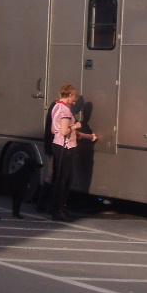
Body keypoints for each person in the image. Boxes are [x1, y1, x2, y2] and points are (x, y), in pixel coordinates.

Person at [49, 84, 97, 221]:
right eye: (74, 99)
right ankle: (59, 210)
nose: (75, 102)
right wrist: (75, 125)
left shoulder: (56, 106)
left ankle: (59, 208)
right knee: (64, 179)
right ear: (69, 95)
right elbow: (64, 131)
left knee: (62, 178)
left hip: (58, 144)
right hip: (65, 146)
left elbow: (56, 130)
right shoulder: (65, 110)